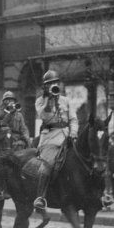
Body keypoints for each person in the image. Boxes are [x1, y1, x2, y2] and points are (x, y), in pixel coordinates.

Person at [33, 70, 78, 210]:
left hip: (66, 137)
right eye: (50, 84)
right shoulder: (40, 101)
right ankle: (40, 197)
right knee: (48, 165)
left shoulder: (66, 100)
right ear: (45, 87)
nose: (54, 85)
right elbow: (44, 116)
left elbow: (73, 119)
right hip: (50, 139)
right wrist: (49, 99)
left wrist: (74, 133)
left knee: (81, 159)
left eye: (55, 83)